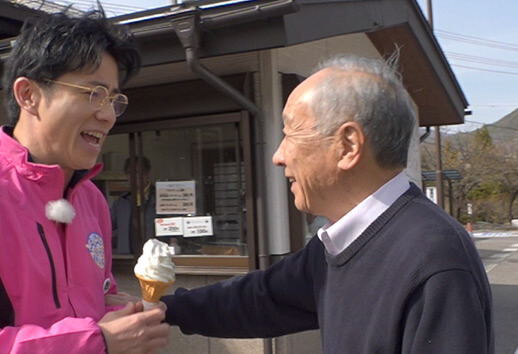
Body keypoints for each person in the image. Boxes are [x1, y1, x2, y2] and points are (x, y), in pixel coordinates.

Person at [161, 54, 494, 353]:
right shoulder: (337, 245)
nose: (278, 156)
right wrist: (165, 310)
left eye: (291, 133)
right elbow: (260, 298)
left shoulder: (434, 260)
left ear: (348, 146)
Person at [0, 9, 170, 354]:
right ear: (28, 95)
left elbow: (90, 306)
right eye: (93, 93)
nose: (107, 114)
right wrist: (95, 341)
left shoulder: (90, 200)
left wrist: (125, 315)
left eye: (115, 99)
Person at [110, 156, 156, 254]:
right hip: (127, 259)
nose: (133, 177)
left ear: (147, 173)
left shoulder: (159, 198)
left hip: (155, 260)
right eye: (129, 173)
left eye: (137, 172)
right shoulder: (121, 203)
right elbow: (106, 227)